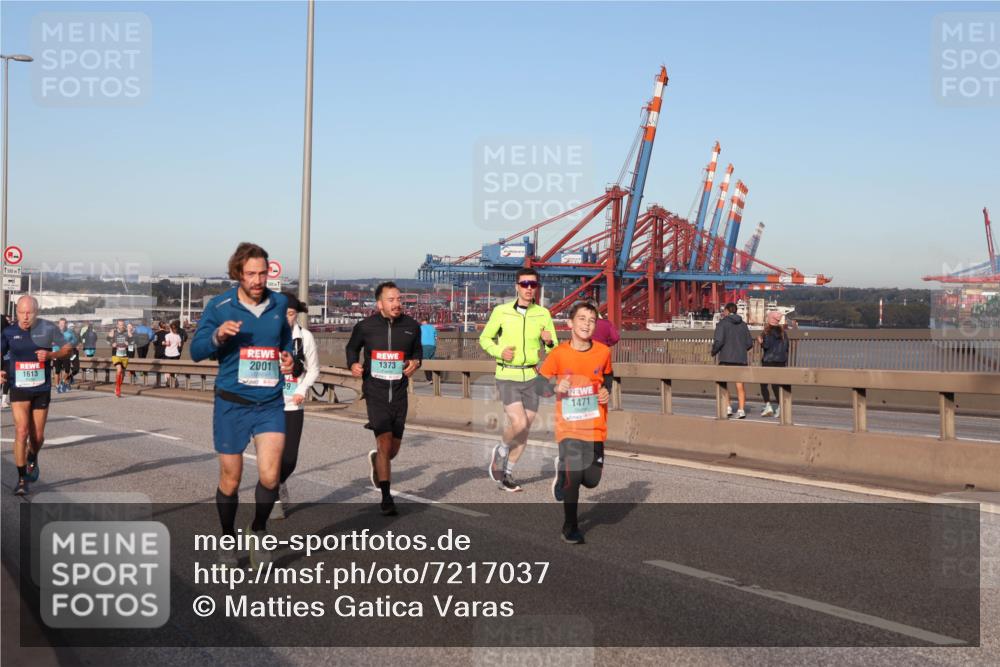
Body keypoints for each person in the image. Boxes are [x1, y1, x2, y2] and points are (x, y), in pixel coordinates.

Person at [191, 242, 294, 569]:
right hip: (231, 403)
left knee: (270, 475)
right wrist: (218, 336)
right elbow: (195, 351)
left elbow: (288, 348)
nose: (258, 279)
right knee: (231, 479)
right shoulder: (220, 306)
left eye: (263, 272)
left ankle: (259, 530)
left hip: (269, 403)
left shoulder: (279, 304)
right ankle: (226, 539)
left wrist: (291, 362)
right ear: (238, 273)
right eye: (251, 273)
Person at [536, 302, 612, 545]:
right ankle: (570, 526)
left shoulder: (603, 352)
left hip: (595, 426)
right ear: (570, 324)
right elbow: (539, 385)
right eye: (582, 319)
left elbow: (607, 378)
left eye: (591, 320)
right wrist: (556, 387)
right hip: (569, 427)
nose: (587, 324)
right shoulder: (558, 354)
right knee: (575, 477)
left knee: (591, 480)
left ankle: (562, 472)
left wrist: (605, 391)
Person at [345, 281, 422, 516]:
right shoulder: (365, 326)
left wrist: (415, 363)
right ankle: (386, 497)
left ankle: (378, 460)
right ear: (380, 304)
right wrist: (353, 365)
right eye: (391, 300)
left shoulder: (412, 326)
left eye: (399, 299)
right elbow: (351, 348)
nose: (397, 303)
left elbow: (417, 353)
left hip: (399, 393)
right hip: (375, 392)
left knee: (393, 449)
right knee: (384, 442)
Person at [479, 268, 557, 491]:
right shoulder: (501, 311)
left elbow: (555, 349)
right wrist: (499, 351)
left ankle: (508, 474)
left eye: (533, 284)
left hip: (532, 376)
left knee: (524, 430)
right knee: (519, 423)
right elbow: (485, 339)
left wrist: (549, 341)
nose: (529, 288)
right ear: (516, 286)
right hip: (507, 375)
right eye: (525, 284)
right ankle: (502, 449)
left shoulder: (543, 314)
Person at [0, 295, 73, 495]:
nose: (25, 317)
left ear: (36, 313)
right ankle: (22, 479)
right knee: (21, 431)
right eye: (21, 313)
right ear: (16, 312)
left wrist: (51, 355)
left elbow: (68, 349)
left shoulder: (48, 329)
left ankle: (32, 456)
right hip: (19, 387)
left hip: (41, 389)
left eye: (29, 313)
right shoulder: (9, 332)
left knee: (38, 437)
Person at [271, 293, 320, 520]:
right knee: (271, 456)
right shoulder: (266, 336)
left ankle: (279, 482)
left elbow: (314, 369)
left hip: (293, 404)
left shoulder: (305, 337)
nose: (286, 319)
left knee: (289, 458)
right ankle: (272, 497)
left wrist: (301, 390)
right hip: (268, 404)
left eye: (291, 314)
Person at [711, 302, 754, 419]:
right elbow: (749, 343)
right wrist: (741, 349)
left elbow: (719, 341)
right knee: (740, 385)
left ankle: (728, 407)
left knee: (723, 384)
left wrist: (713, 351)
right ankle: (741, 410)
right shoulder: (743, 325)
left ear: (726, 311)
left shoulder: (722, 324)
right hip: (740, 359)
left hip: (725, 358)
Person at [759, 311, 790, 418]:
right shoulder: (783, 332)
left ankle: (768, 406)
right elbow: (786, 347)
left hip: (769, 361)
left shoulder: (767, 331)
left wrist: (761, 342)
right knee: (776, 385)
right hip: (781, 361)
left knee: (764, 384)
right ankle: (781, 406)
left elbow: (766, 346)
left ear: (770, 319)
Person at [53, 318, 78, 393]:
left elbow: (75, 340)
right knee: (57, 371)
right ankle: (57, 386)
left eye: (63, 324)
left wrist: (71, 343)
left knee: (67, 370)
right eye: (60, 324)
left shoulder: (70, 332)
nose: (62, 325)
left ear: (66, 324)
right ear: (58, 324)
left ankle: (63, 381)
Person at [107, 319, 130, 398]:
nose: (121, 326)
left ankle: (118, 387)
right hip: (116, 354)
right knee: (119, 370)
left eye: (123, 325)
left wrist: (128, 343)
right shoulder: (113, 332)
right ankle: (118, 389)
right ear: (117, 325)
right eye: (120, 325)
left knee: (122, 374)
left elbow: (132, 342)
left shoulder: (127, 333)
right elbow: (107, 340)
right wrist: (111, 343)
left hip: (124, 355)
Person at [164, 321, 183, 388]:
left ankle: (167, 381)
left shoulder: (167, 335)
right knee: (174, 368)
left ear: (170, 329)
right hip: (176, 353)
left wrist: (163, 343)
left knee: (167, 368)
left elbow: (168, 344)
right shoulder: (178, 336)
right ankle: (175, 380)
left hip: (168, 354)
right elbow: (179, 345)